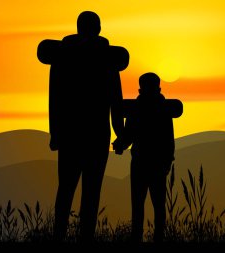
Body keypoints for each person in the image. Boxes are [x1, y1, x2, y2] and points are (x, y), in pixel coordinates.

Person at [46, 11, 125, 241]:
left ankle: (59, 236)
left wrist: (55, 133)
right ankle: (85, 239)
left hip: (70, 134)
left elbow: (55, 99)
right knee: (91, 193)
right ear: (98, 28)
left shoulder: (63, 57)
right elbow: (116, 101)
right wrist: (119, 133)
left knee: (65, 190)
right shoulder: (107, 59)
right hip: (97, 135)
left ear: (79, 27)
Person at [113, 73, 175, 242]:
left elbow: (129, 135)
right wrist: (168, 160)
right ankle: (158, 239)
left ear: (141, 88)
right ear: (159, 88)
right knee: (158, 207)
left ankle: (137, 239)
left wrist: (120, 144)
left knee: (139, 206)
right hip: (157, 163)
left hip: (141, 162)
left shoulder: (136, 109)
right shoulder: (164, 109)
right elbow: (169, 139)